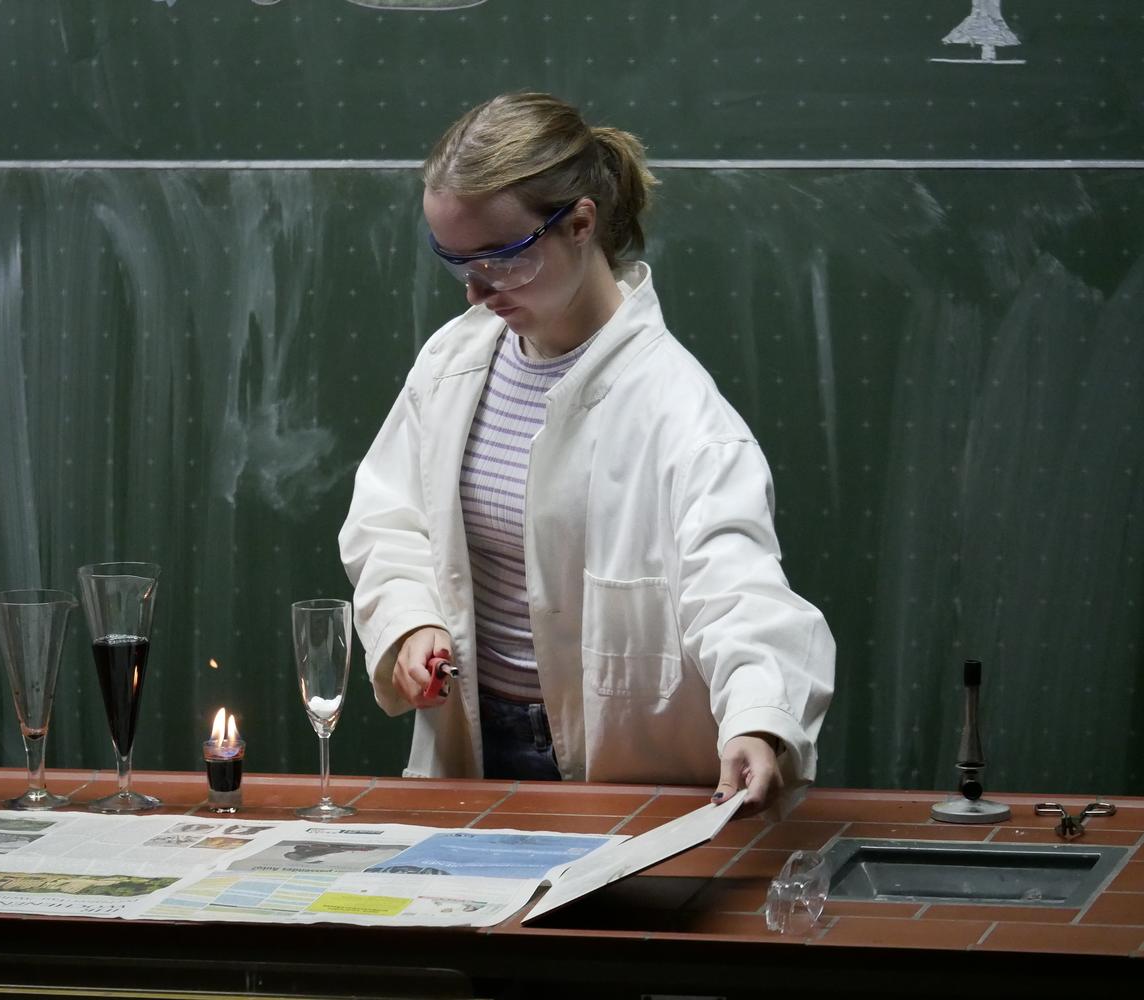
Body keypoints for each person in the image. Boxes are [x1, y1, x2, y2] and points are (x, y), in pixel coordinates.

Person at [338, 93, 834, 815]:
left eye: (499, 259)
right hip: (472, 745)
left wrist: (758, 717)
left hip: (618, 765)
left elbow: (737, 588)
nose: (475, 292)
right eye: (455, 262)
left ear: (579, 223)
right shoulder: (452, 364)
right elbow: (390, 519)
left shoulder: (678, 411)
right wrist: (413, 620)